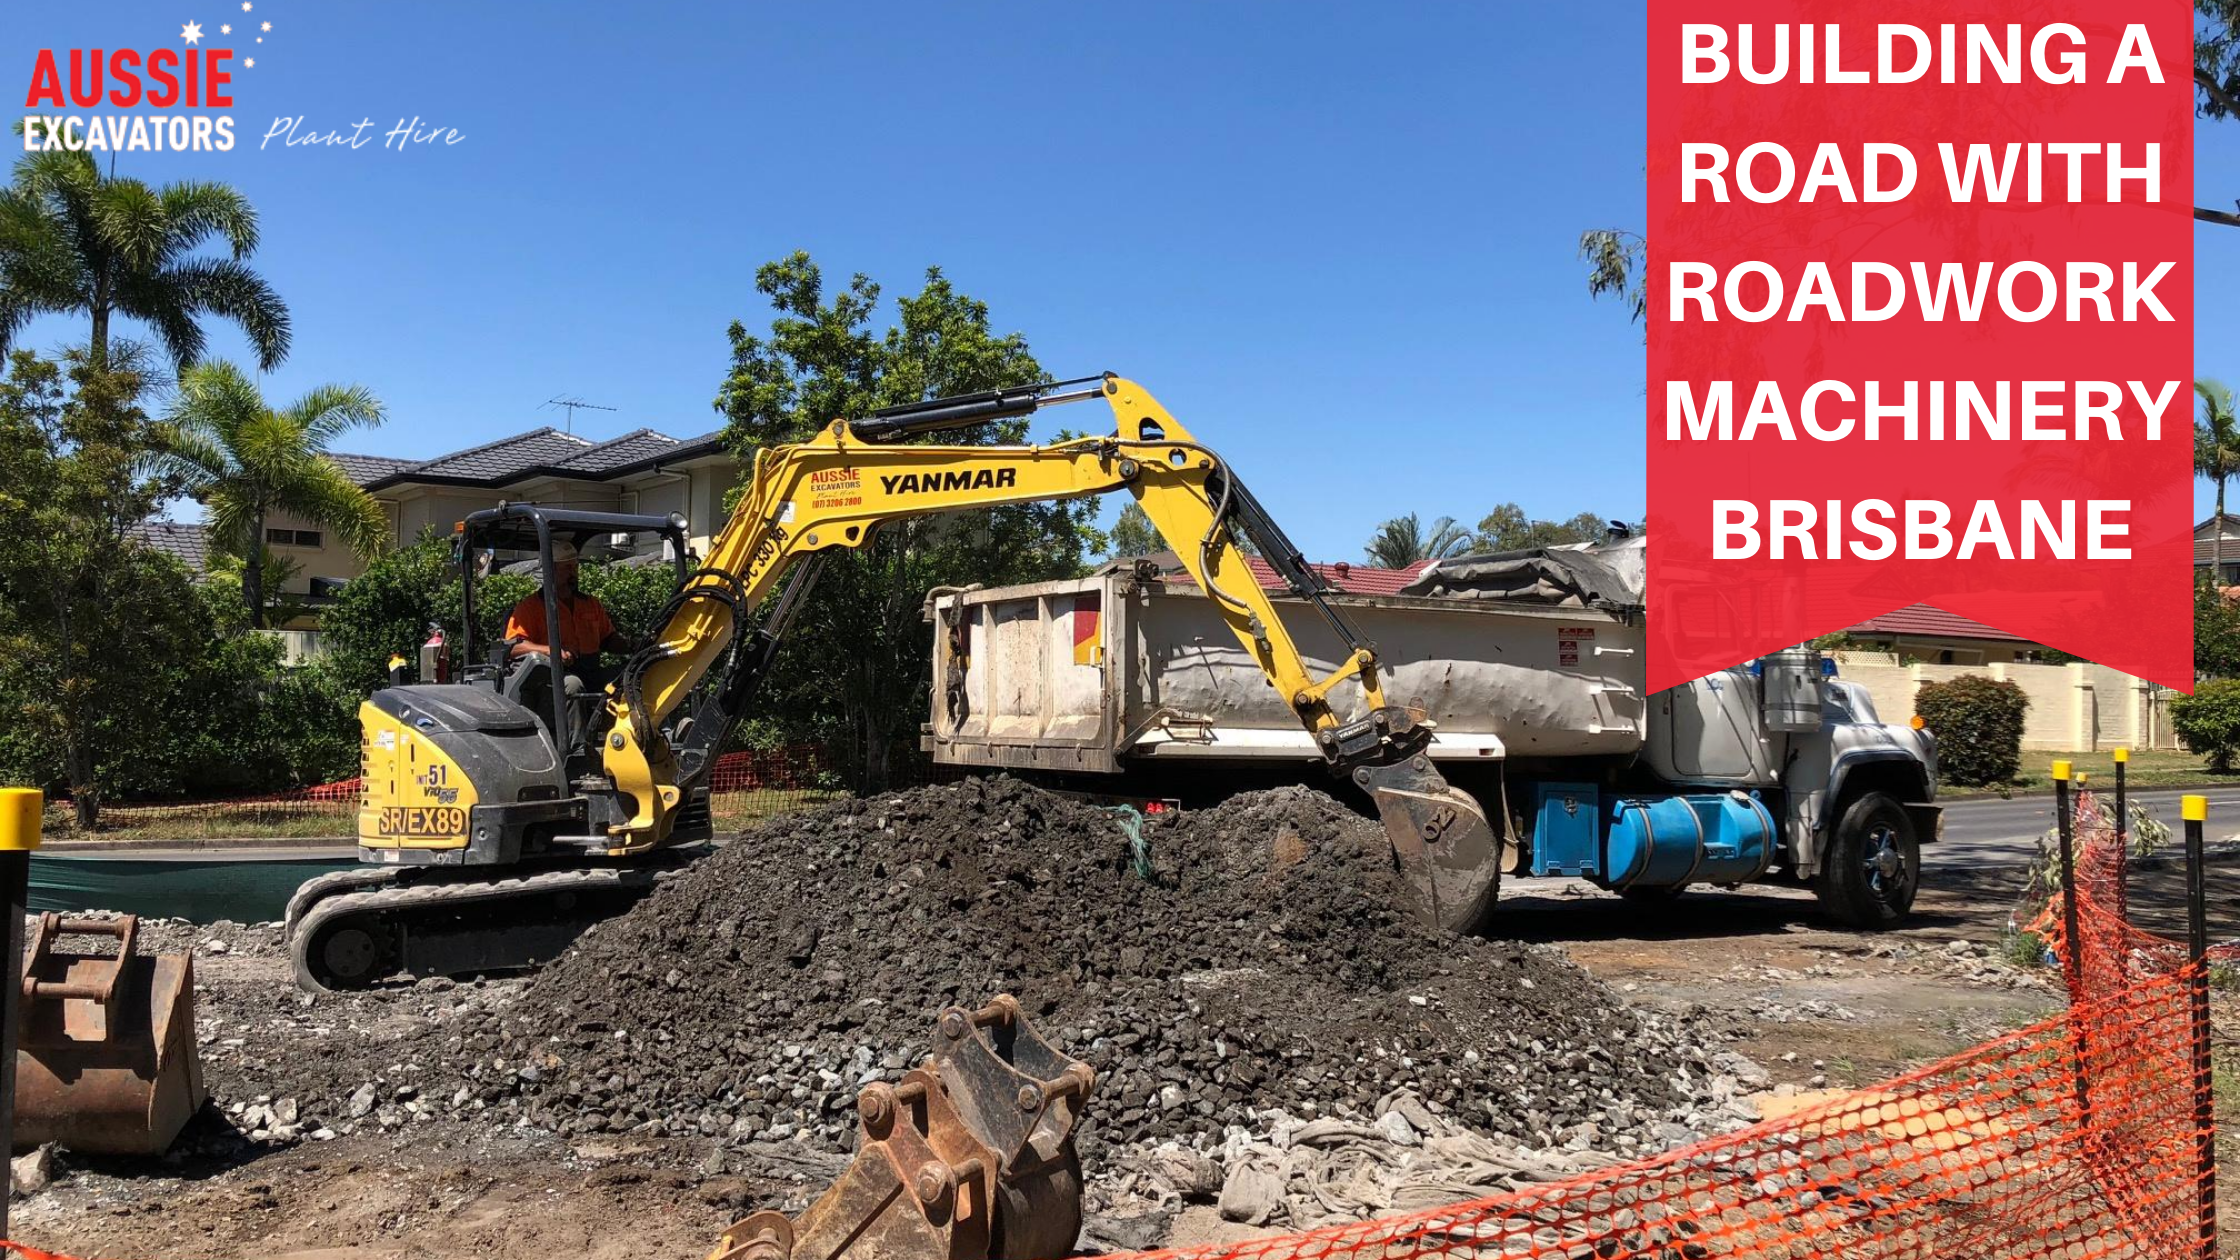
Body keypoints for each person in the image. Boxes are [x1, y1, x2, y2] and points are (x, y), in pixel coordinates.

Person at [503, 538, 633, 696]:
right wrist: (552, 651)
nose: (573, 573)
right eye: (567, 568)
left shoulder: (590, 604)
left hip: (590, 669)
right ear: (551, 570)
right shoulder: (530, 607)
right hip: (551, 673)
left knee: (629, 676)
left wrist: (634, 645)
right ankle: (572, 715)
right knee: (572, 685)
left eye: (575, 567)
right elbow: (514, 648)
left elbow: (607, 639)